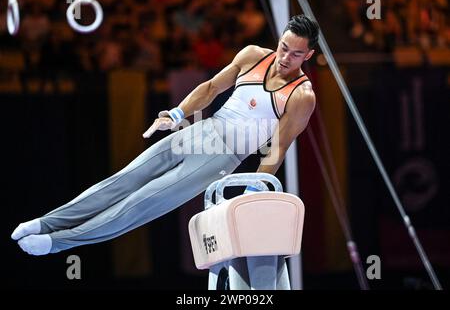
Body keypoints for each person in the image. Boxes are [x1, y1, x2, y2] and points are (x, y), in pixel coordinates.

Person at [11, 15, 318, 257]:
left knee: (140, 204)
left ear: (309, 55)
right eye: (283, 48)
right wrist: (177, 113)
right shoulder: (253, 55)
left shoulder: (302, 96)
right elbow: (211, 88)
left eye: (296, 54)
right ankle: (46, 222)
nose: (285, 58)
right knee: (123, 180)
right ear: (278, 41)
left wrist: (254, 187)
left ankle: (56, 242)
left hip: (223, 157)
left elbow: (278, 146)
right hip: (202, 130)